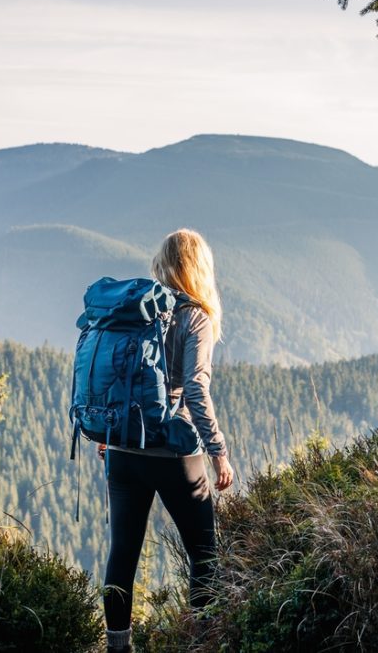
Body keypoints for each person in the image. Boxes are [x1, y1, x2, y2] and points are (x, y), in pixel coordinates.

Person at [101, 228, 235, 653]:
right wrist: (219, 452)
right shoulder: (194, 315)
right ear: (200, 268)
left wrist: (111, 429)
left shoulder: (136, 310)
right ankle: (200, 643)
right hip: (174, 451)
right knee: (204, 555)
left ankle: (117, 648)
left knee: (122, 553)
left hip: (123, 449)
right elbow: (195, 389)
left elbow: (112, 377)